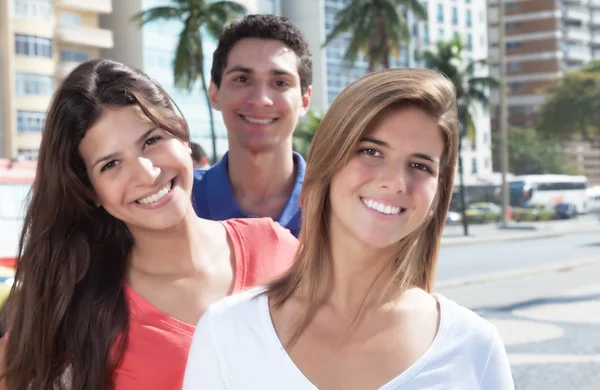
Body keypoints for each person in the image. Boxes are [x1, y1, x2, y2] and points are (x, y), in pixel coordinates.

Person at [183, 68, 515, 389]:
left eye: (419, 165)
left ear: (437, 195)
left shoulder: (475, 347)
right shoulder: (227, 330)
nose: (395, 182)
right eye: (371, 151)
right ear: (327, 164)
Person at [0, 59, 298, 390]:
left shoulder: (277, 249)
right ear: (91, 191)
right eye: (111, 164)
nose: (146, 173)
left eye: (152, 140)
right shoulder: (85, 306)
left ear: (181, 134)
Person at [192, 14, 312, 238]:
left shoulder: (337, 205)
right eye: (242, 79)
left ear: (305, 99)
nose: (260, 99)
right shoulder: (177, 199)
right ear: (215, 93)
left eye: (279, 83)